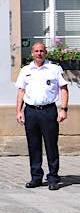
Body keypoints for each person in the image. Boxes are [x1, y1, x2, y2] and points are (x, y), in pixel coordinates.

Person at [16, 41, 69, 190]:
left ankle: (53, 177)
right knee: (34, 145)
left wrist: (63, 109)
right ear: (32, 53)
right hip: (31, 111)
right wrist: (18, 111)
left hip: (48, 111)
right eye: (36, 51)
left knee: (51, 144)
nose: (39, 53)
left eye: (42, 51)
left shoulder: (54, 69)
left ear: (45, 53)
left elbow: (63, 89)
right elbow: (21, 91)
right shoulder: (25, 70)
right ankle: (36, 177)